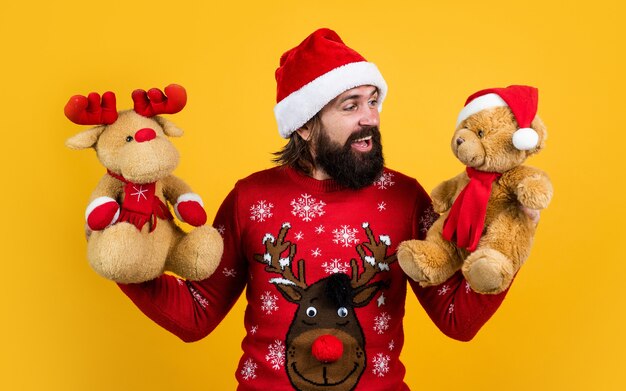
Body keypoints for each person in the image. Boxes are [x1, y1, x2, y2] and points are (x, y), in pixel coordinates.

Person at [118, 28, 515, 390]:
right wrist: (122, 258)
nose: (370, 118)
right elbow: (195, 314)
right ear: (305, 125)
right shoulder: (250, 199)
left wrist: (511, 240)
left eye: (373, 101)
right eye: (350, 106)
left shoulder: (405, 198)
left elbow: (456, 319)